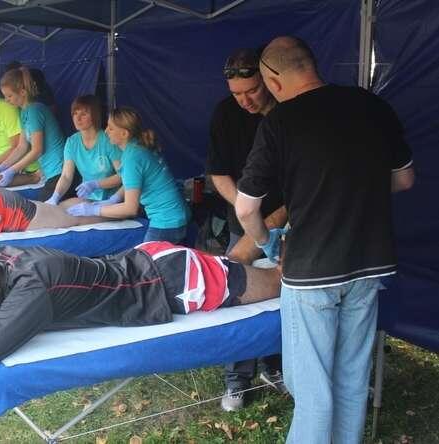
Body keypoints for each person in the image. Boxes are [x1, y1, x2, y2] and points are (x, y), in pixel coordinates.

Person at [235, 36, 414, 443]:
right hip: (369, 263)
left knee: (312, 389)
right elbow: (404, 179)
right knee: (351, 378)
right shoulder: (373, 106)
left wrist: (268, 242)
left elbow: (246, 208)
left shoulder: (280, 121)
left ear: (273, 80)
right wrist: (359, 188)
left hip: (311, 270)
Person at [0, 231, 282, 379]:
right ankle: (270, 239)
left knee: (278, 281)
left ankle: (298, 237)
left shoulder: (31, 289)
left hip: (174, 281)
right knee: (237, 264)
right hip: (145, 261)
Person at [207, 48, 287, 411]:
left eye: (252, 90)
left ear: (270, 81)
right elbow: (219, 172)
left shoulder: (289, 113)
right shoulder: (226, 113)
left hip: (286, 218)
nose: (245, 100)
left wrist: (271, 223)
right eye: (237, 93)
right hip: (242, 219)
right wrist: (245, 213)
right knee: (238, 290)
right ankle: (237, 379)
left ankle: (275, 365)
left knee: (280, 294)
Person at [67, 107, 189, 244]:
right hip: (176, 215)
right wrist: (114, 199)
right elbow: (132, 182)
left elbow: (130, 208)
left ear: (124, 133)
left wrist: (94, 210)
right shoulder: (136, 147)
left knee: (145, 257)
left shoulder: (132, 158)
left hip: (167, 222)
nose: (106, 131)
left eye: (111, 128)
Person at [0, 67, 66, 201]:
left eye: (9, 96)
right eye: (5, 96)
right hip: (50, 171)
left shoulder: (35, 111)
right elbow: (21, 147)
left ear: (22, 92)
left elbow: (37, 150)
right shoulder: (24, 112)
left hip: (59, 171)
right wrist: (2, 166)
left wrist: (11, 170)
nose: (6, 100)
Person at [45, 95, 122, 206]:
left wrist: (96, 184)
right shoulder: (72, 142)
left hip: (112, 201)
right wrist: (55, 197)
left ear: (95, 115)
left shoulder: (109, 140)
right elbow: (66, 176)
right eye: (75, 113)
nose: (78, 118)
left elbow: (122, 176)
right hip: (87, 198)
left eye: (84, 114)